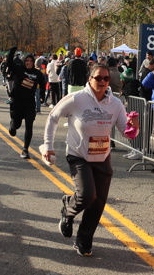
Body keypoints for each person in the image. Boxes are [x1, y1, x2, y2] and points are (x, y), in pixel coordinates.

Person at [41, 63, 138, 256]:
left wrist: (133, 126)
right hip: (79, 155)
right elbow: (53, 117)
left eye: (106, 78)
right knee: (87, 195)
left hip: (102, 157)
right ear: (90, 79)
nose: (102, 82)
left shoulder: (115, 103)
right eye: (98, 78)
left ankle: (84, 241)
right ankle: (68, 209)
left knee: (98, 201)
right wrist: (48, 146)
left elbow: (126, 132)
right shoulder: (76, 99)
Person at [3, 47, 46, 159]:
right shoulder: (19, 69)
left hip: (29, 103)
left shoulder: (37, 73)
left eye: (31, 61)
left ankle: (25, 149)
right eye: (27, 61)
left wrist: (42, 96)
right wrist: (12, 51)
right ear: (24, 62)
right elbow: (9, 63)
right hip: (17, 102)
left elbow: (43, 84)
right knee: (16, 126)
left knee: (29, 126)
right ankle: (13, 125)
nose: (29, 63)